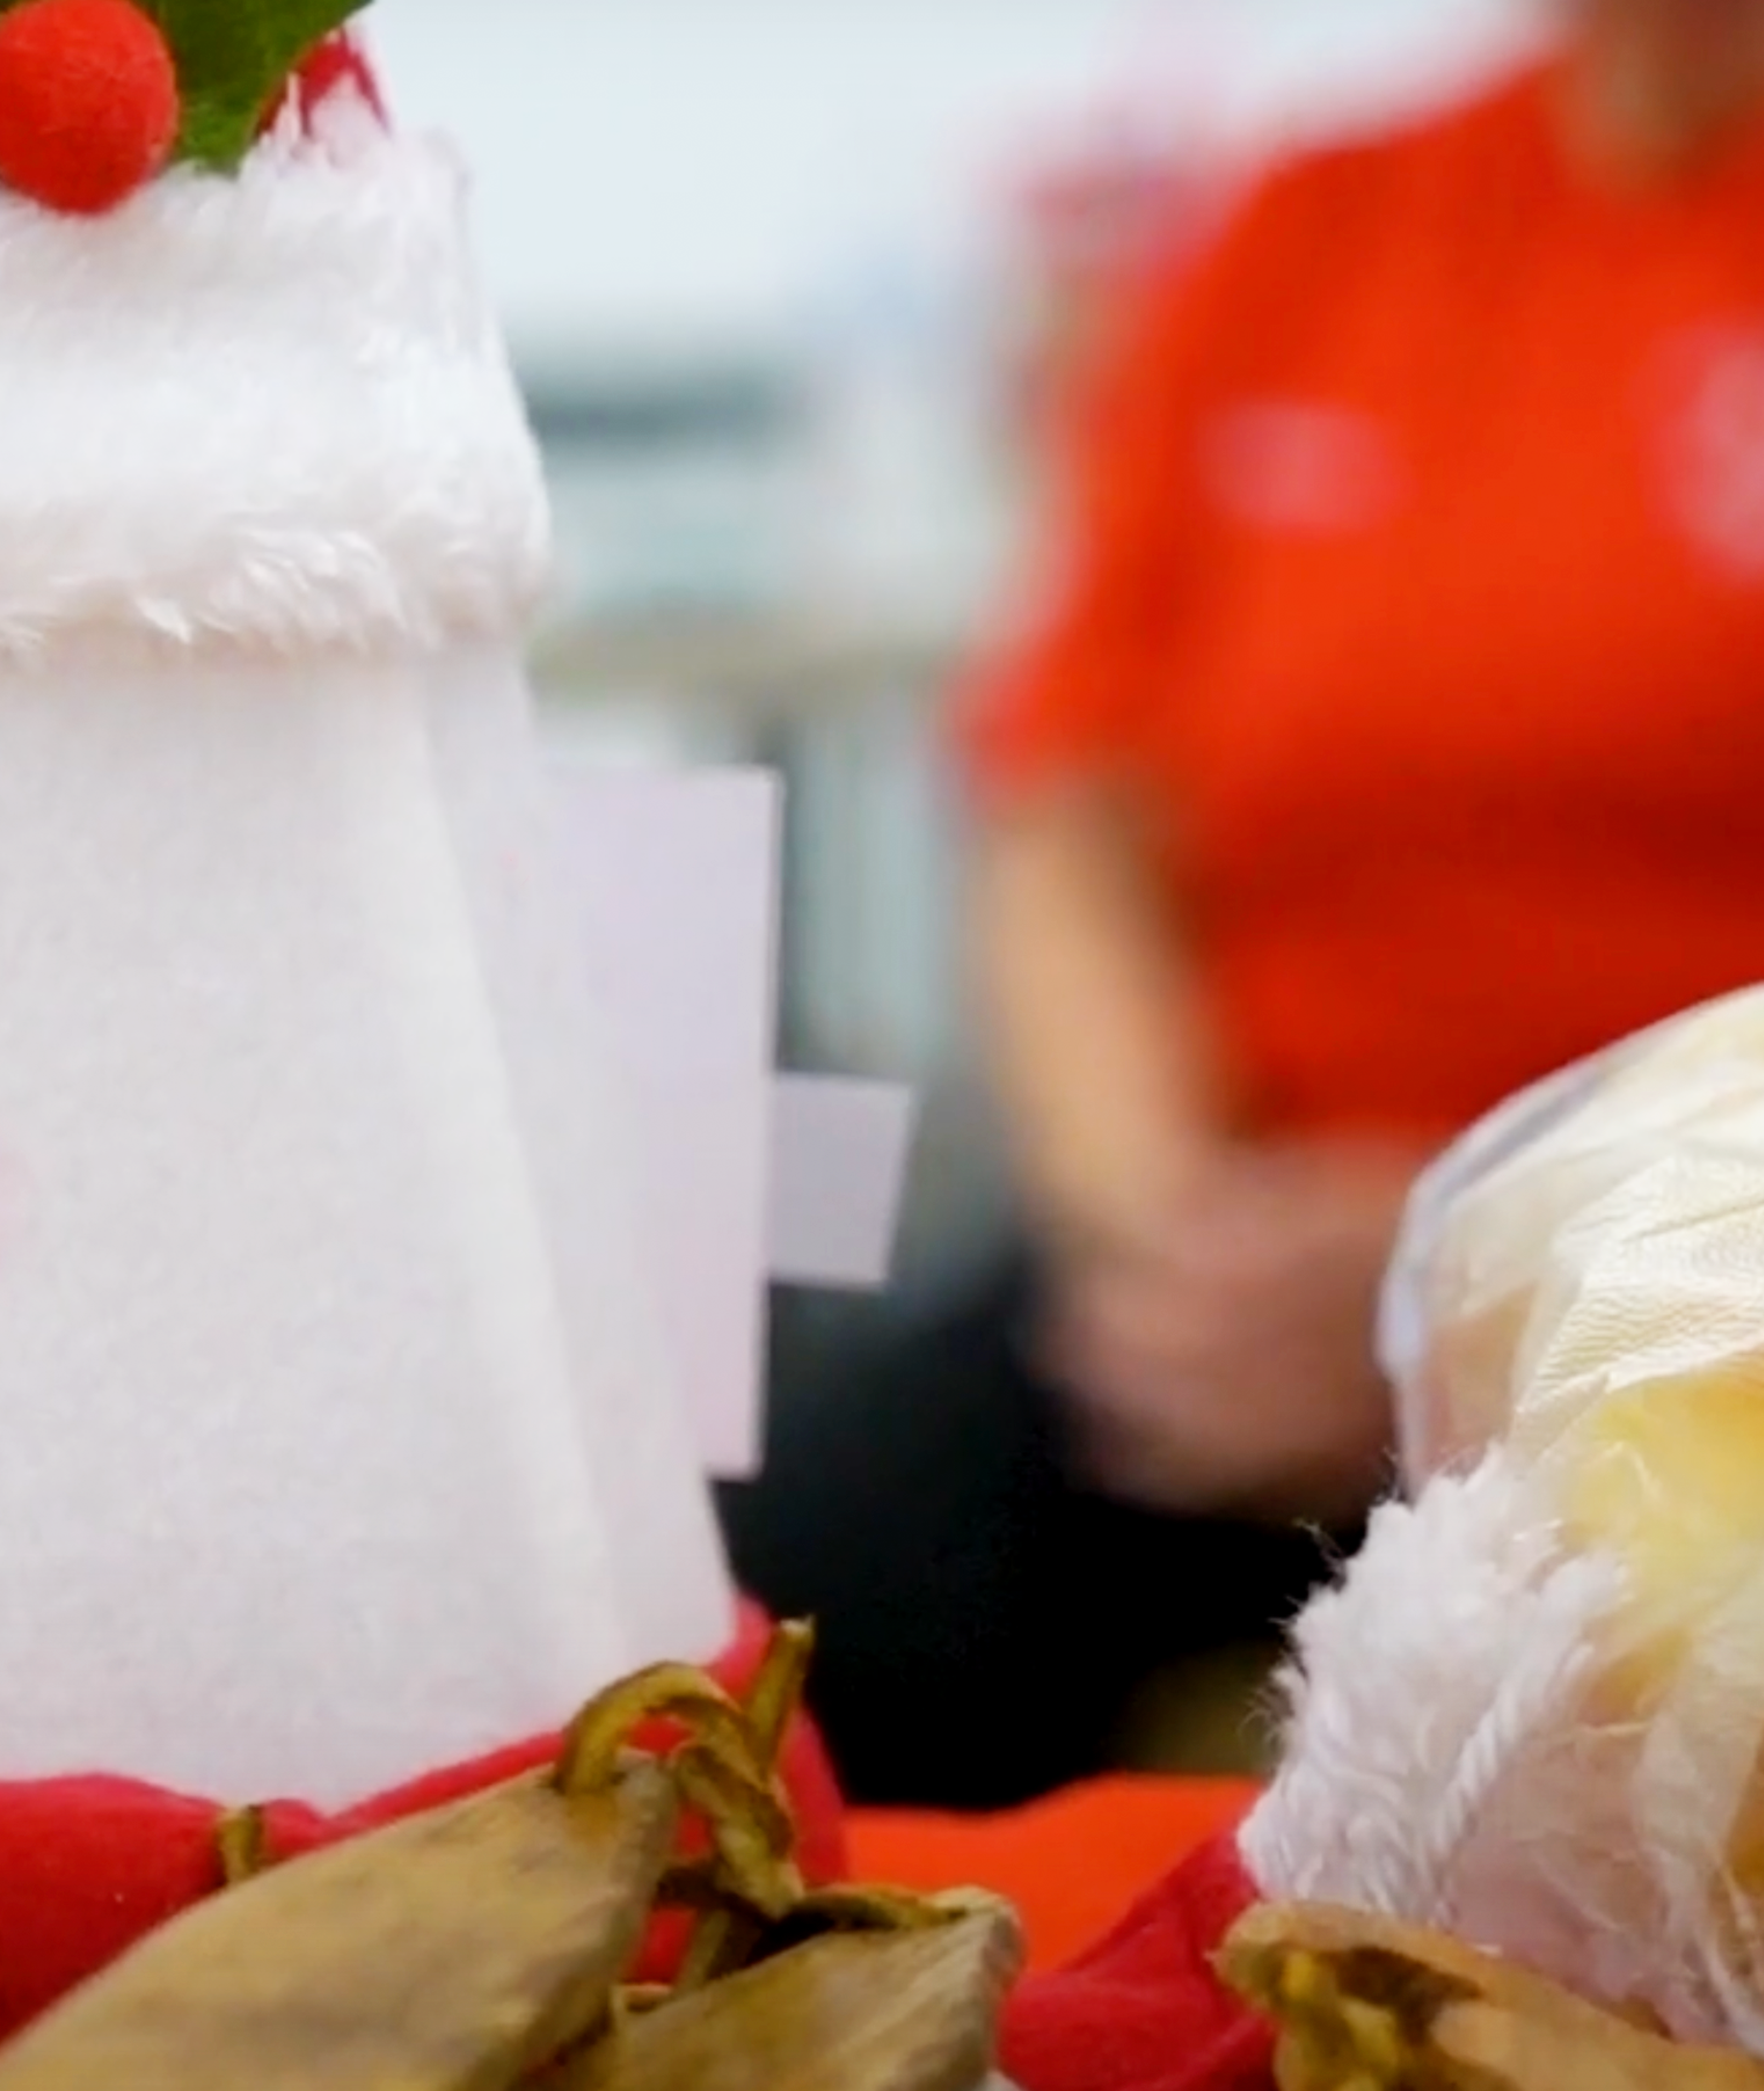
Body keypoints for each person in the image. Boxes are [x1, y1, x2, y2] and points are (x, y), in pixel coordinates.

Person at [731, 0, 1764, 1808]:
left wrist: (1489, 1291)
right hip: (1256, 1268)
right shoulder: (1320, 223)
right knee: (765, 1634)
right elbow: (1065, 807)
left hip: (1696, 1304)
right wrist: (1175, 1248)